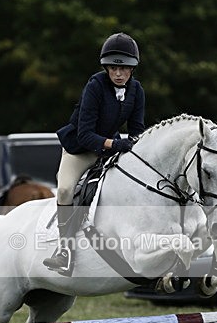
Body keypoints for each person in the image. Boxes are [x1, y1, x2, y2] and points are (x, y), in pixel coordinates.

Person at [43, 32, 145, 275]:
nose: (118, 74)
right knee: (67, 189)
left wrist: (133, 146)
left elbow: (137, 131)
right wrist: (115, 144)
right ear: (106, 68)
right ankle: (64, 250)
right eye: (113, 68)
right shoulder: (95, 86)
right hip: (80, 150)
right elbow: (85, 135)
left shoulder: (137, 90)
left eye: (124, 69)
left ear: (132, 69)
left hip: (108, 150)